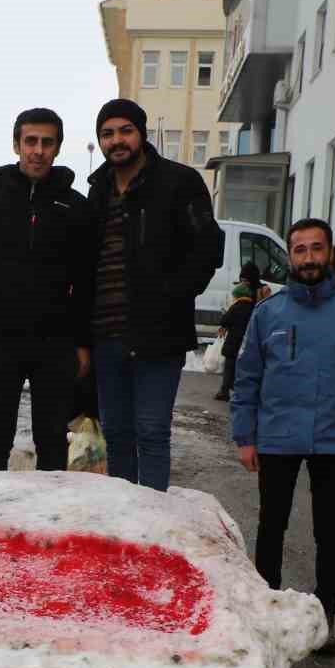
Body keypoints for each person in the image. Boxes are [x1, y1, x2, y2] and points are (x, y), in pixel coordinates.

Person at [232, 217, 335, 656]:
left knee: (329, 531)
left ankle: (325, 621)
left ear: (330, 253)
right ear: (290, 256)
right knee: (271, 529)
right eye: (299, 250)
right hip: (277, 439)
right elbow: (246, 379)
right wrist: (245, 435)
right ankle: (267, 620)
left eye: (315, 248)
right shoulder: (269, 314)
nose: (308, 258)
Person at [0, 107, 95, 472]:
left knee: (52, 444)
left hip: (55, 343)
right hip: (0, 338)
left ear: (57, 148)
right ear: (16, 144)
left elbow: (87, 278)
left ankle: (48, 524)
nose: (38, 150)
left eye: (47, 142)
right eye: (30, 141)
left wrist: (83, 342)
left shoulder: (74, 207)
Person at [86, 98, 225, 491]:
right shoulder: (97, 191)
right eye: (108, 133)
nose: (117, 141)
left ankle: (152, 526)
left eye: (125, 131)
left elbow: (208, 249)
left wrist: (171, 296)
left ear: (142, 134)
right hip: (107, 334)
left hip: (159, 336)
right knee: (116, 434)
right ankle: (124, 523)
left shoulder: (179, 182)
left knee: (150, 432)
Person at [213, 283, 255, 402]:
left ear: (237, 295)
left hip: (233, 343)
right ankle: (241, 393)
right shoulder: (254, 307)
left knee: (229, 368)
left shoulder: (235, 307)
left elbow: (225, 320)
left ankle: (224, 392)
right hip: (247, 343)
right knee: (243, 370)